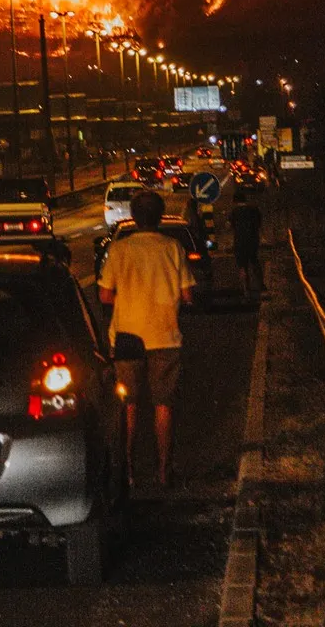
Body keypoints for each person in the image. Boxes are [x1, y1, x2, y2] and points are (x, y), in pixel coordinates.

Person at [98, 190, 195, 489]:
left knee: (128, 404)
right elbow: (187, 294)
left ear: (133, 216)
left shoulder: (120, 250)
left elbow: (104, 294)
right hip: (164, 336)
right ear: (159, 215)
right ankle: (163, 471)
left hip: (127, 336)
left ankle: (127, 472)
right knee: (163, 404)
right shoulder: (173, 247)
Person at [229, 189, 265, 297]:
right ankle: (261, 284)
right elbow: (259, 224)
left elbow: (230, 226)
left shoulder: (234, 212)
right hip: (253, 240)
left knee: (242, 266)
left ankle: (246, 288)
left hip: (239, 242)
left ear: (234, 201)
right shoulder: (254, 210)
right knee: (254, 262)